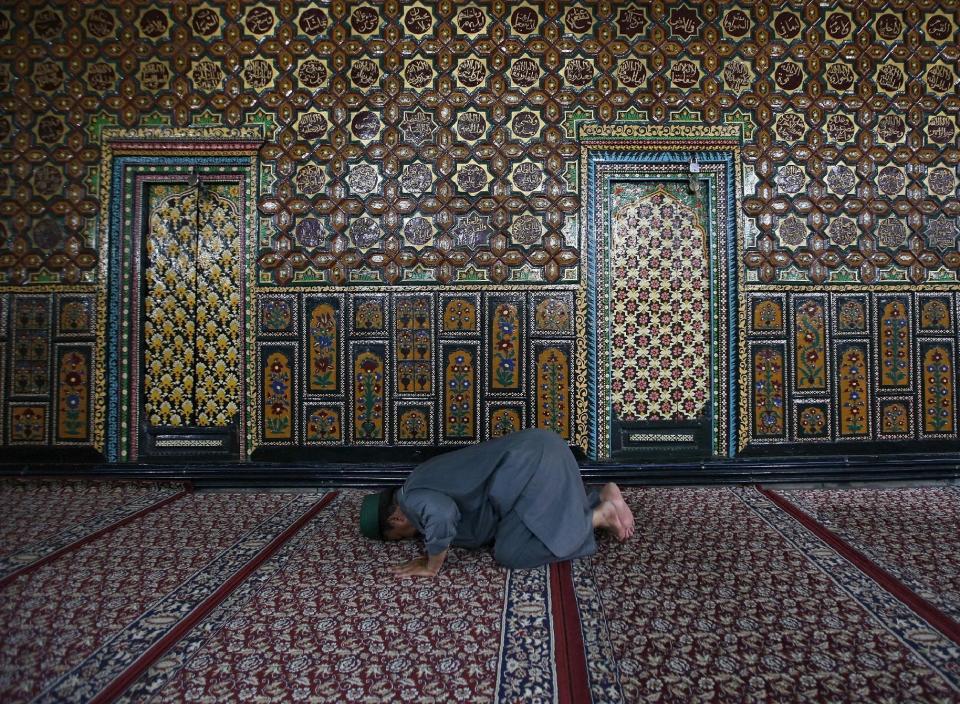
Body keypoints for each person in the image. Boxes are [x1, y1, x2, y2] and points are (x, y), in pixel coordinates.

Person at [359, 428, 635, 577]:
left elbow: (442, 515)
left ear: (396, 519)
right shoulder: (418, 479)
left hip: (532, 469)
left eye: (399, 538)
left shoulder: (414, 500)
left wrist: (431, 564)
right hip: (542, 450)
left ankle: (599, 516)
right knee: (521, 528)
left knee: (513, 553)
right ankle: (598, 497)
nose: (409, 539)